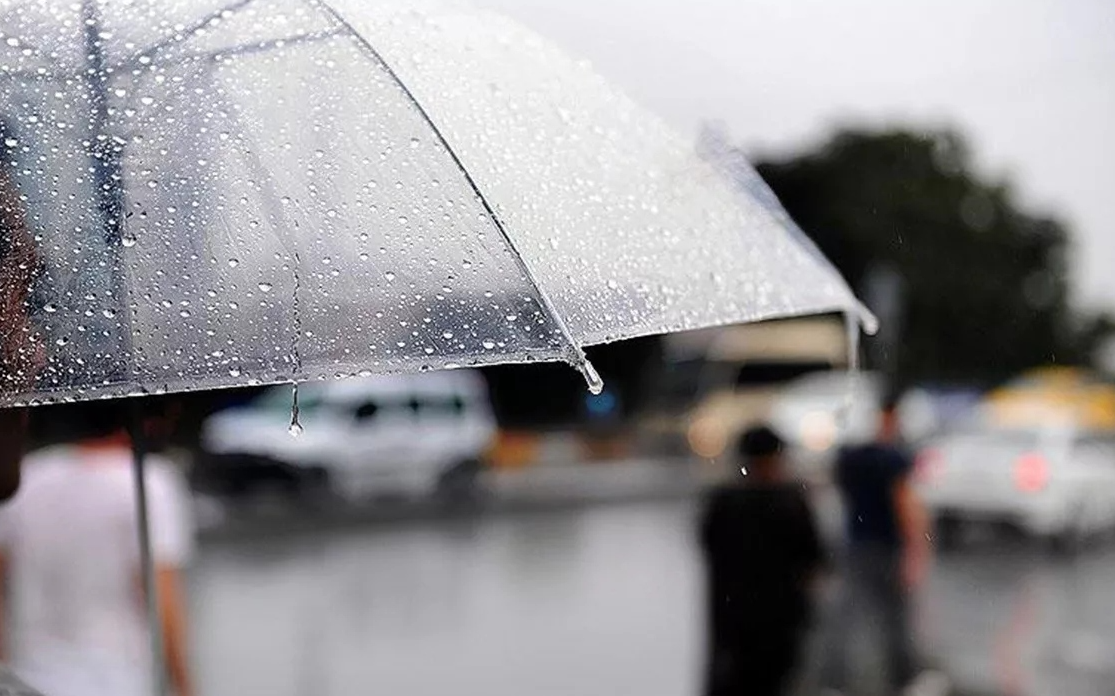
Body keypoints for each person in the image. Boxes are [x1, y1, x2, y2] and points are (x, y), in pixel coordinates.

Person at [0, 402, 195, 696]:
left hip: (29, 674)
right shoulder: (150, 483)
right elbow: (161, 598)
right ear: (152, 422)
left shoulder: (30, 474)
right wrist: (186, 688)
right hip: (115, 678)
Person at [822, 395, 937, 696]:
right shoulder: (893, 460)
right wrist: (916, 551)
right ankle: (904, 679)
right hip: (886, 547)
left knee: (848, 615)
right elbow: (906, 505)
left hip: (857, 545)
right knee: (895, 618)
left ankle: (835, 682)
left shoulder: (851, 457)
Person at [700, 425, 826, 696]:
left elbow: (708, 547)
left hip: (732, 625)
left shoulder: (723, 502)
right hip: (777, 626)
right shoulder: (789, 502)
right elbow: (813, 560)